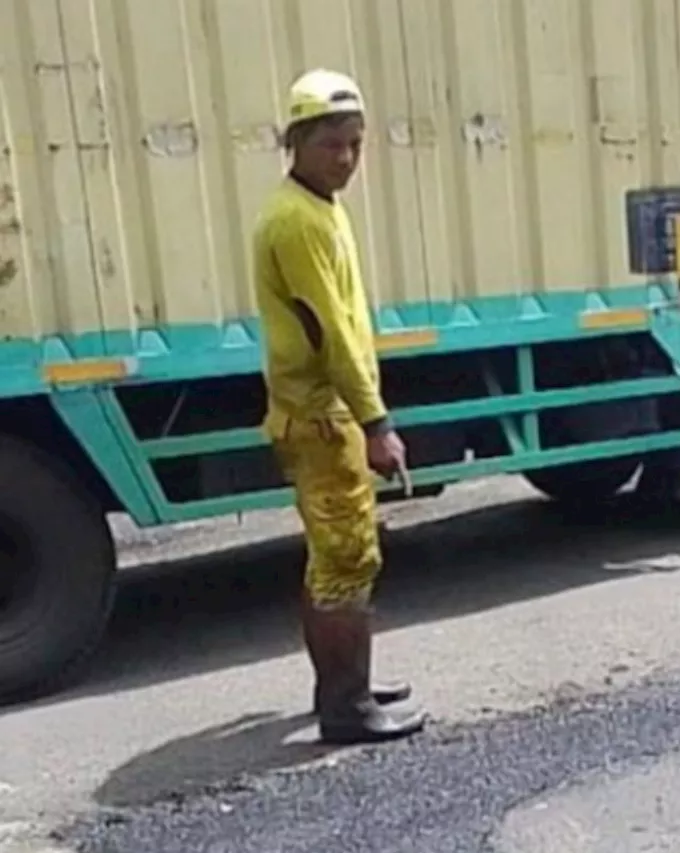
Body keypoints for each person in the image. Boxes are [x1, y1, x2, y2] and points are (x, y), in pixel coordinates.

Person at [252, 68, 426, 743]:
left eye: (356, 144)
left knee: (330, 559)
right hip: (324, 418)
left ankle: (343, 682)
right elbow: (332, 333)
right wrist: (377, 423)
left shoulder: (313, 206)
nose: (347, 158)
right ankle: (347, 708)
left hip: (320, 412)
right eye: (333, 144)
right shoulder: (298, 222)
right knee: (349, 559)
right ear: (296, 141)